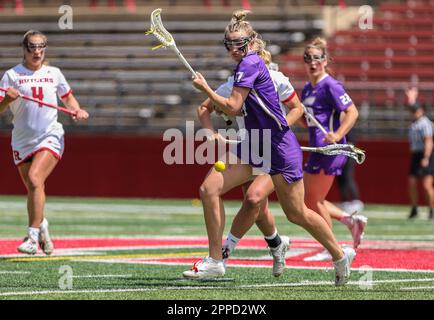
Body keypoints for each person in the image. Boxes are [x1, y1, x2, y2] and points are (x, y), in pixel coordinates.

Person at [182, 10, 355, 286]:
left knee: (297, 213)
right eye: (229, 44)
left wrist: (205, 88)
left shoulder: (250, 64)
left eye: (239, 44)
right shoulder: (241, 68)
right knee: (209, 189)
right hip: (255, 143)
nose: (234, 49)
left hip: (278, 147)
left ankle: (338, 254)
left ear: (250, 43)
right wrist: (213, 126)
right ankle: (216, 260)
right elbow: (230, 109)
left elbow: (233, 106)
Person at [194, 46, 302, 278]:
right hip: (247, 148)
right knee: (251, 204)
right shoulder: (235, 83)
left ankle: (225, 250)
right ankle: (275, 243)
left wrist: (281, 129)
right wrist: (211, 133)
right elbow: (204, 107)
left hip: (273, 150)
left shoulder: (275, 79)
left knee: (254, 199)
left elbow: (297, 109)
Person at [0, 30, 89, 255]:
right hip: (21, 141)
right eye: (32, 46)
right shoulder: (11, 76)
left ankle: (31, 237)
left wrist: (76, 111)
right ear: (24, 49)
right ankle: (42, 226)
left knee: (34, 178)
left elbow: (67, 97)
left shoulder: (54, 73)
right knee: (33, 188)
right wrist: (7, 99)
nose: (37, 51)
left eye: (41, 46)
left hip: (50, 135)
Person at [298, 38, 367, 260]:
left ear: (325, 61)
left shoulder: (331, 85)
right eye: (308, 58)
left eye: (317, 58)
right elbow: (307, 121)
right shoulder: (308, 88)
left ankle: (333, 248)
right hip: (317, 150)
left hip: (330, 150)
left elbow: (352, 112)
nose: (313, 62)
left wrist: (337, 135)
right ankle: (350, 221)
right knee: (310, 200)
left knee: (312, 201)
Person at [406, 87, 433, 220]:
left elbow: (428, 141)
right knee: (412, 182)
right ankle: (414, 208)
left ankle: (432, 209)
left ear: (421, 111)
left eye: (415, 111)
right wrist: (411, 97)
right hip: (416, 154)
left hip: (425, 154)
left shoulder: (424, 123)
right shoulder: (414, 123)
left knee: (426, 185)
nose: (413, 113)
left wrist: (426, 157)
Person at [336, 129, 365, 214]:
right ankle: (344, 201)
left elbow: (351, 143)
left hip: (348, 156)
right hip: (340, 155)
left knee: (348, 177)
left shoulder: (348, 127)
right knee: (340, 179)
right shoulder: (338, 125)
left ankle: (356, 201)